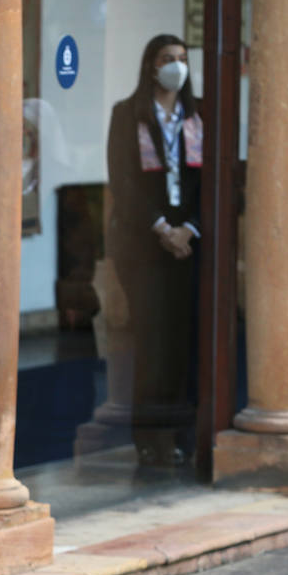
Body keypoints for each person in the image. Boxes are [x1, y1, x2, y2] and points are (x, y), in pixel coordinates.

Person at [106, 35, 203, 467]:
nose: (176, 67)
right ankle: (150, 438)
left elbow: (211, 181)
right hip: (143, 244)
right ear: (151, 66)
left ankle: (184, 434)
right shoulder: (128, 116)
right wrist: (163, 229)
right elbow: (123, 182)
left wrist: (189, 229)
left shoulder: (198, 116)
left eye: (182, 60)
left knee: (184, 341)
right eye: (168, 59)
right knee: (152, 341)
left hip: (190, 244)